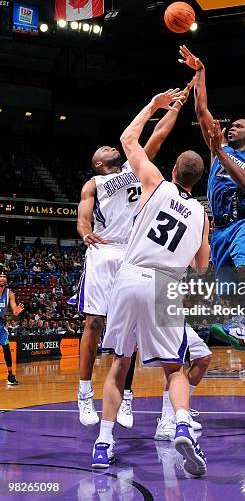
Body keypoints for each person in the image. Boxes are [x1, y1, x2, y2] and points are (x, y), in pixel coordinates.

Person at [92, 89, 209, 477]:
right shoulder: (201, 215)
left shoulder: (155, 183)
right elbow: (203, 265)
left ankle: (104, 442)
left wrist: (155, 105)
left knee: (118, 366)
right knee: (174, 369)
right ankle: (180, 424)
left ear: (175, 170)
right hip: (166, 285)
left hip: (129, 277)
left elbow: (128, 140)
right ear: (199, 179)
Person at [76, 81, 192, 428]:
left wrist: (174, 107)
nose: (113, 146)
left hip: (134, 255)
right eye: (105, 148)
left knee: (131, 333)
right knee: (94, 323)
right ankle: (84, 393)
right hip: (104, 251)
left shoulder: (133, 170)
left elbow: (156, 135)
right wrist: (85, 234)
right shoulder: (93, 184)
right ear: (99, 162)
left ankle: (126, 399)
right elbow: (83, 220)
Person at [179, 45, 245, 404]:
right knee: (229, 303)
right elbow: (202, 109)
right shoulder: (216, 143)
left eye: (239, 126)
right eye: (230, 124)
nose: (231, 127)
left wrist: (220, 151)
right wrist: (200, 71)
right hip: (219, 230)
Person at [155, 323, 212, 440]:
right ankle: (166, 421)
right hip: (163, 319)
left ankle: (180, 412)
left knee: (203, 357)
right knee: (174, 366)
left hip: (179, 320)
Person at [0, 271, 24, 385]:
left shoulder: (10, 293)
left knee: (6, 349)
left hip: (1, 326)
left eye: (4, 276)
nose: (2, 278)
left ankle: (10, 375)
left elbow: (14, 309)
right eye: (0, 276)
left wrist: (16, 312)